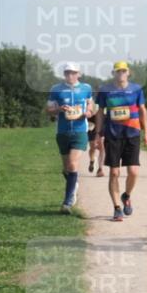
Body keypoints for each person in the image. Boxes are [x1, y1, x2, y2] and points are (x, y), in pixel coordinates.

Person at [95, 61, 147, 222]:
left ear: (128, 73)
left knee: (133, 171)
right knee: (114, 172)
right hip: (113, 135)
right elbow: (100, 112)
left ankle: (126, 195)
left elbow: (142, 110)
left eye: (123, 71)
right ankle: (117, 208)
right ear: (114, 73)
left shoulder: (136, 89)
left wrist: (146, 132)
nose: (121, 74)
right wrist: (98, 133)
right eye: (118, 71)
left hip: (132, 133)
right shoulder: (106, 90)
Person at [46, 62, 94, 214]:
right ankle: (74, 186)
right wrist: (58, 109)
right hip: (62, 132)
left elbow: (91, 106)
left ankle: (67, 203)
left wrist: (89, 113)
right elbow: (48, 110)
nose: (70, 75)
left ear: (79, 74)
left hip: (80, 131)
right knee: (66, 168)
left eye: (73, 73)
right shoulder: (56, 89)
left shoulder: (86, 88)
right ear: (64, 74)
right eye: (67, 73)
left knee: (73, 165)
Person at [86, 98, 105, 177]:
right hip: (91, 125)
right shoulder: (88, 98)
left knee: (102, 147)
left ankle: (100, 169)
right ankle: (92, 160)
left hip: (101, 124)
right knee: (93, 146)